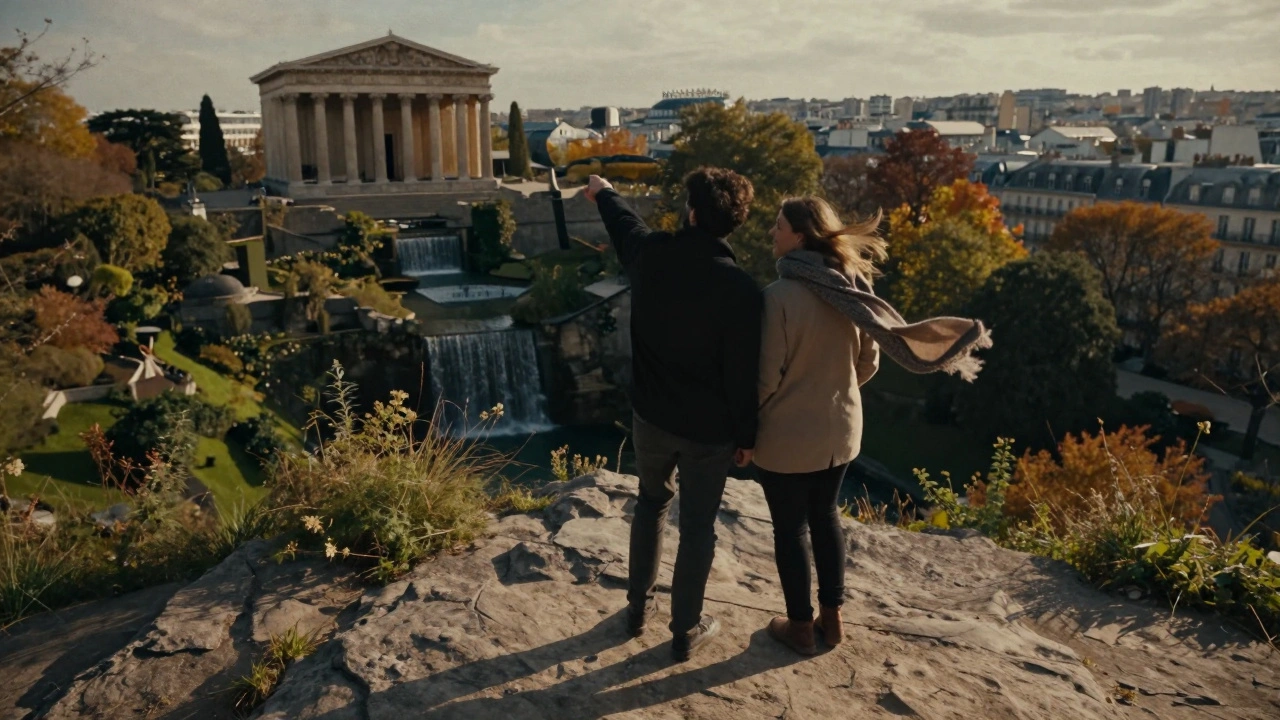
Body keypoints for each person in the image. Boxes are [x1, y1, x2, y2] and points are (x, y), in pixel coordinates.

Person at [755, 196, 992, 656]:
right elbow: (869, 362)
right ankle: (834, 619)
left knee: (790, 529)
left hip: (786, 432)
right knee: (825, 517)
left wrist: (749, 427)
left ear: (799, 237)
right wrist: (833, 386)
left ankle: (800, 628)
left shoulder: (777, 298)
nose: (772, 233)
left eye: (778, 225)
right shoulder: (850, 290)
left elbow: (765, 379)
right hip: (841, 428)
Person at [584, 169, 762, 662]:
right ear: (734, 224)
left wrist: (604, 192)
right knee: (699, 526)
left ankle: (637, 610)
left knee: (650, 504)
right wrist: (747, 435)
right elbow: (744, 375)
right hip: (710, 431)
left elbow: (625, 225)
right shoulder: (743, 291)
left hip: (653, 418)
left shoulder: (652, 255)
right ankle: (685, 630)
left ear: (692, 211)